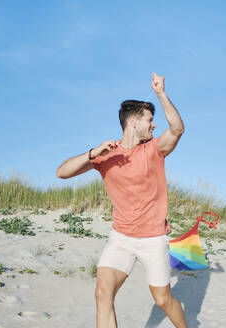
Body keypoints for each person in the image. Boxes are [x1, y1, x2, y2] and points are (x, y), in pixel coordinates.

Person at [56, 72, 186, 328]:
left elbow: (178, 129)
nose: (153, 125)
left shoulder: (155, 149)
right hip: (121, 239)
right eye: (150, 120)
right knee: (102, 294)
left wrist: (160, 94)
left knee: (162, 299)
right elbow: (62, 172)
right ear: (134, 121)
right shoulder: (107, 155)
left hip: (152, 239)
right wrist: (92, 153)